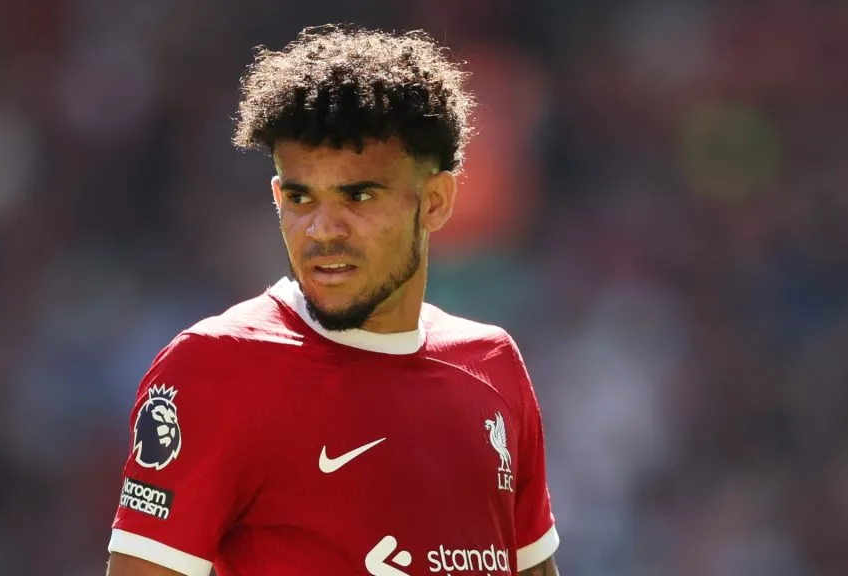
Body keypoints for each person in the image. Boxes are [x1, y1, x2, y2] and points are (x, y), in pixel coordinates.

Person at [105, 25, 560, 576]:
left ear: (436, 202)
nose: (322, 229)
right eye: (300, 197)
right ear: (276, 198)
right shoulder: (215, 367)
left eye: (359, 195)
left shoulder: (493, 367)